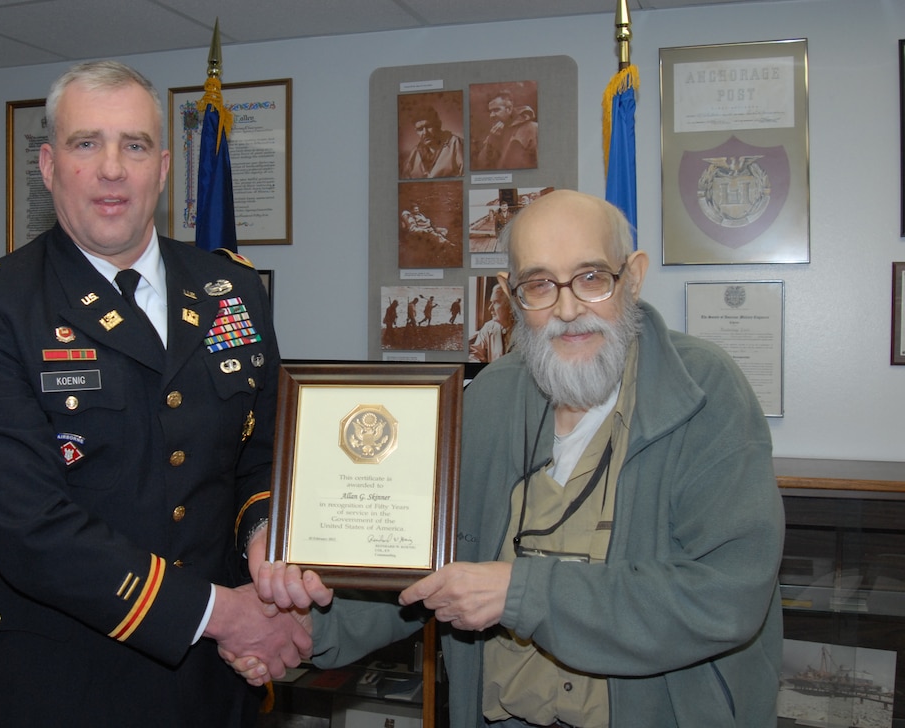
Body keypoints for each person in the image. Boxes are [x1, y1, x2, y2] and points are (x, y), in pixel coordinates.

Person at [241, 190, 784, 728]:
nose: (568, 310)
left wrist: (518, 593)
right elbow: (418, 560)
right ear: (510, 294)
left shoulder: (707, 393)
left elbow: (725, 597)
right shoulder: (487, 400)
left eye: (592, 277)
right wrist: (304, 628)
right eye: (540, 284)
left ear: (633, 277)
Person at [0, 60, 309, 727]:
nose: (112, 168)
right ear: (49, 166)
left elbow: (262, 455)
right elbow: (29, 526)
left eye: (134, 145)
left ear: (162, 169)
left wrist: (262, 537)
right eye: (87, 144)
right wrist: (225, 615)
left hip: (212, 683)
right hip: (56, 681)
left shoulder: (233, 290)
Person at [475, 89, 539, 170]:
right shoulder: (495, 132)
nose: (491, 115)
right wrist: (492, 140)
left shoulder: (532, 129)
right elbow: (481, 165)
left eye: (496, 110)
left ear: (509, 109)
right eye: (490, 111)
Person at [400, 105, 465, 179]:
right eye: (420, 129)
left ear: (438, 125)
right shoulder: (415, 152)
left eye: (428, 126)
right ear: (416, 131)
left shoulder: (455, 143)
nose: (425, 132)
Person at [468, 279, 514, 363]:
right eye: (491, 302)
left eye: (496, 302)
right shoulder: (488, 327)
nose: (490, 308)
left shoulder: (527, 331)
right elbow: (475, 355)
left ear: (511, 306)